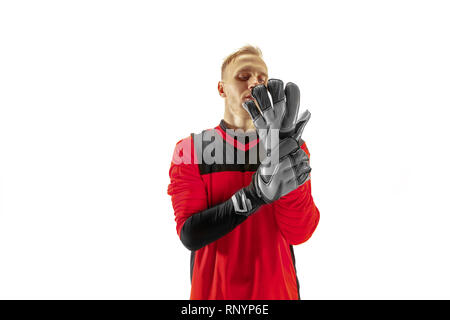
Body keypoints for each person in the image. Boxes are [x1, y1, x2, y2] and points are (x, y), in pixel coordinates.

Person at [167, 45, 320, 300]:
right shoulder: (190, 150)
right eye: (243, 76)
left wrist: (287, 162)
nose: (254, 84)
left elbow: (300, 231)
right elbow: (191, 233)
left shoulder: (293, 146)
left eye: (262, 78)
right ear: (221, 89)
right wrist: (256, 194)